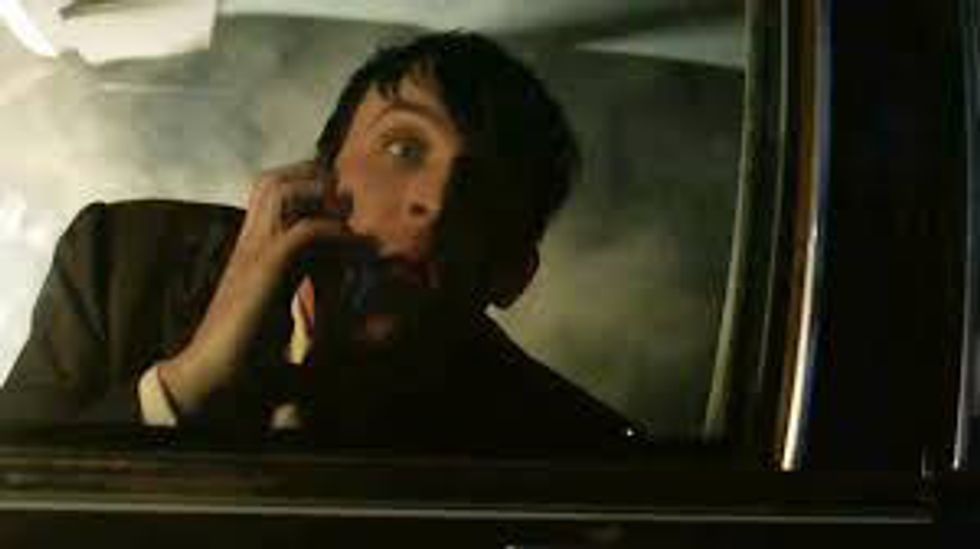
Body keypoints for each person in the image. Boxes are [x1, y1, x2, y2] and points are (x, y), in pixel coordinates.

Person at [0, 32, 641, 451]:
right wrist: (187, 385)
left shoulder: (566, 450)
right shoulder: (121, 260)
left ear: (513, 273)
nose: (436, 203)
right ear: (319, 174)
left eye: (484, 187)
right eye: (403, 148)